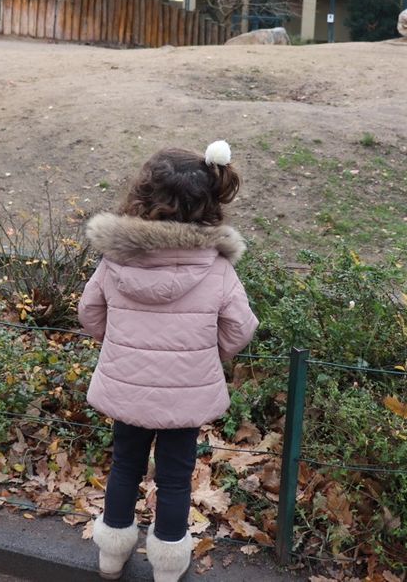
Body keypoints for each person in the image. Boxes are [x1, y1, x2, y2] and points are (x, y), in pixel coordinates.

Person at [80, 141, 259, 582]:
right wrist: (207, 354)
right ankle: (167, 567)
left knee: (124, 466)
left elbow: (89, 314)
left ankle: (110, 557)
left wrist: (118, 342)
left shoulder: (114, 260)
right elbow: (241, 328)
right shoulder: (217, 269)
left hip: (128, 387)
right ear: (208, 205)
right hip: (186, 395)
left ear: (141, 197)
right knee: (176, 480)